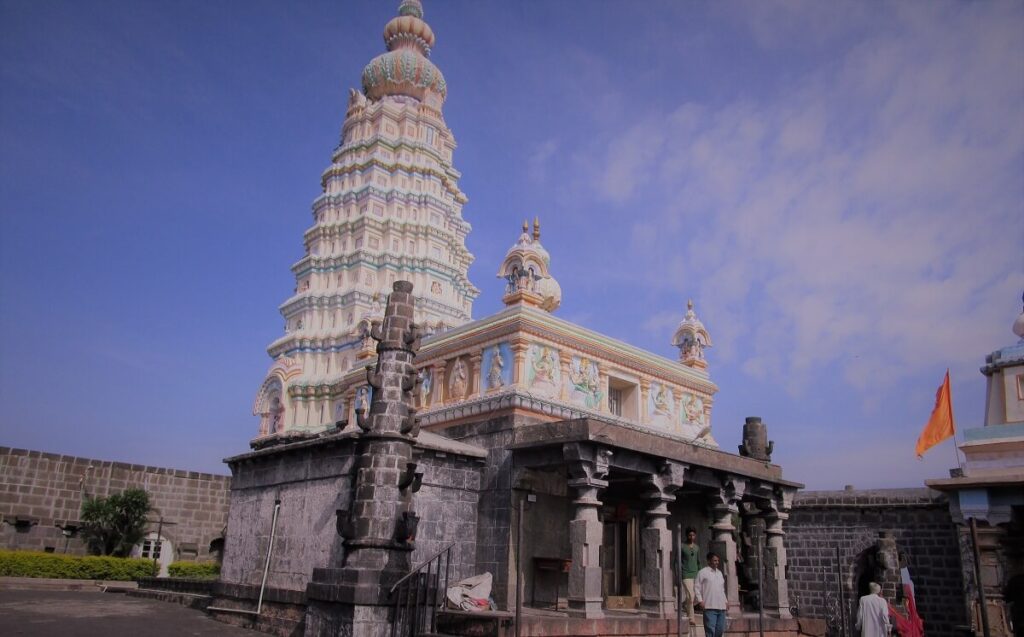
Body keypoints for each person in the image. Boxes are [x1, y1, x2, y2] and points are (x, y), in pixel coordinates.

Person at [694, 552, 727, 637]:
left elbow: (722, 589)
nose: (717, 562)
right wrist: (700, 600)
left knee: (720, 630)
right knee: (710, 631)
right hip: (709, 606)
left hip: (721, 607)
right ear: (709, 561)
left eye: (718, 561)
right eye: (715, 560)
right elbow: (696, 587)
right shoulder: (702, 572)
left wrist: (726, 601)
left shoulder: (719, 573)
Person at [680, 528, 702, 628]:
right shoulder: (682, 546)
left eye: (693, 535)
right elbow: (677, 561)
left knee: (695, 597)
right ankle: (691, 618)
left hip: (696, 574)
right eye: (690, 535)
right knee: (691, 595)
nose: (691, 537)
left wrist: (701, 574)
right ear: (687, 535)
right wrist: (679, 573)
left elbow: (699, 562)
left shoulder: (697, 548)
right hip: (686, 574)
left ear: (695, 536)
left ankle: (685, 604)